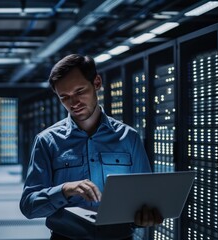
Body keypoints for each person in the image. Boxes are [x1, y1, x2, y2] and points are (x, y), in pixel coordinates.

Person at [19, 54, 163, 240]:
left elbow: (146, 198)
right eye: (65, 97)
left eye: (80, 92)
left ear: (96, 82)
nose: (74, 103)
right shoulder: (47, 141)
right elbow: (29, 207)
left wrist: (145, 217)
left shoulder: (129, 138)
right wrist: (64, 190)